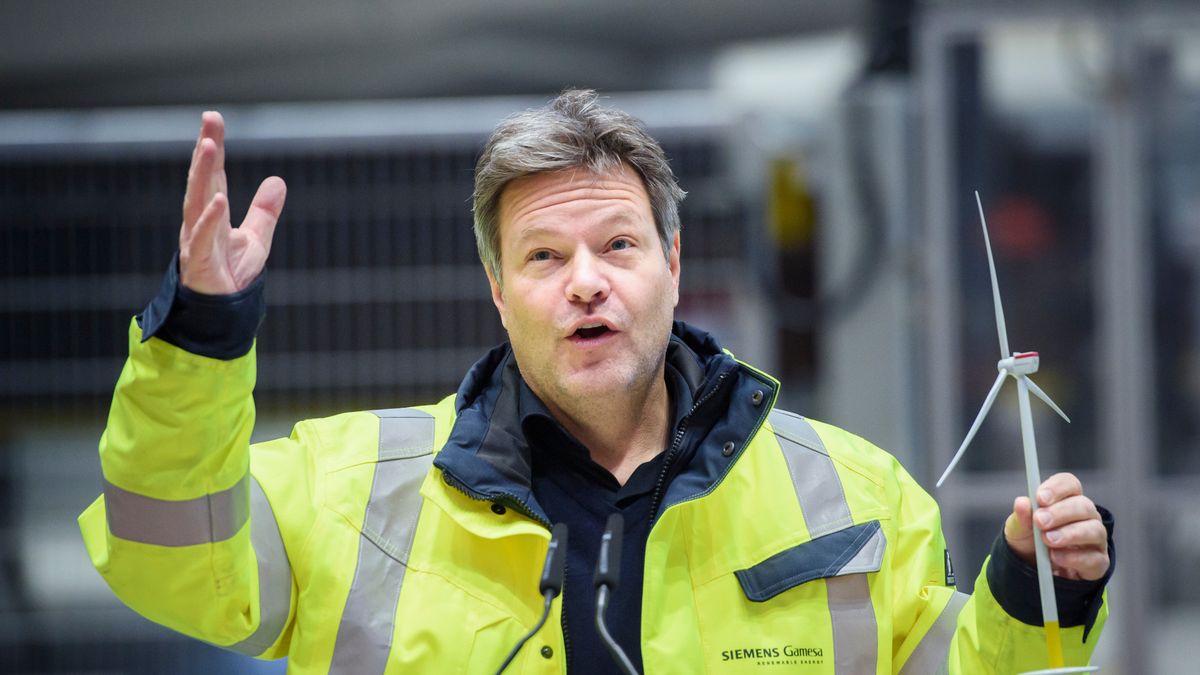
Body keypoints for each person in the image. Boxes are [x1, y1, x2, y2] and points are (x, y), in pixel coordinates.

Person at [79, 89, 1113, 674]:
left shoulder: (852, 493)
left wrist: (1035, 595)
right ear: (497, 288)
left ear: (671, 259)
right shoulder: (350, 491)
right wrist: (202, 336)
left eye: (617, 244)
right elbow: (169, 558)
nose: (586, 284)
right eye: (542, 258)